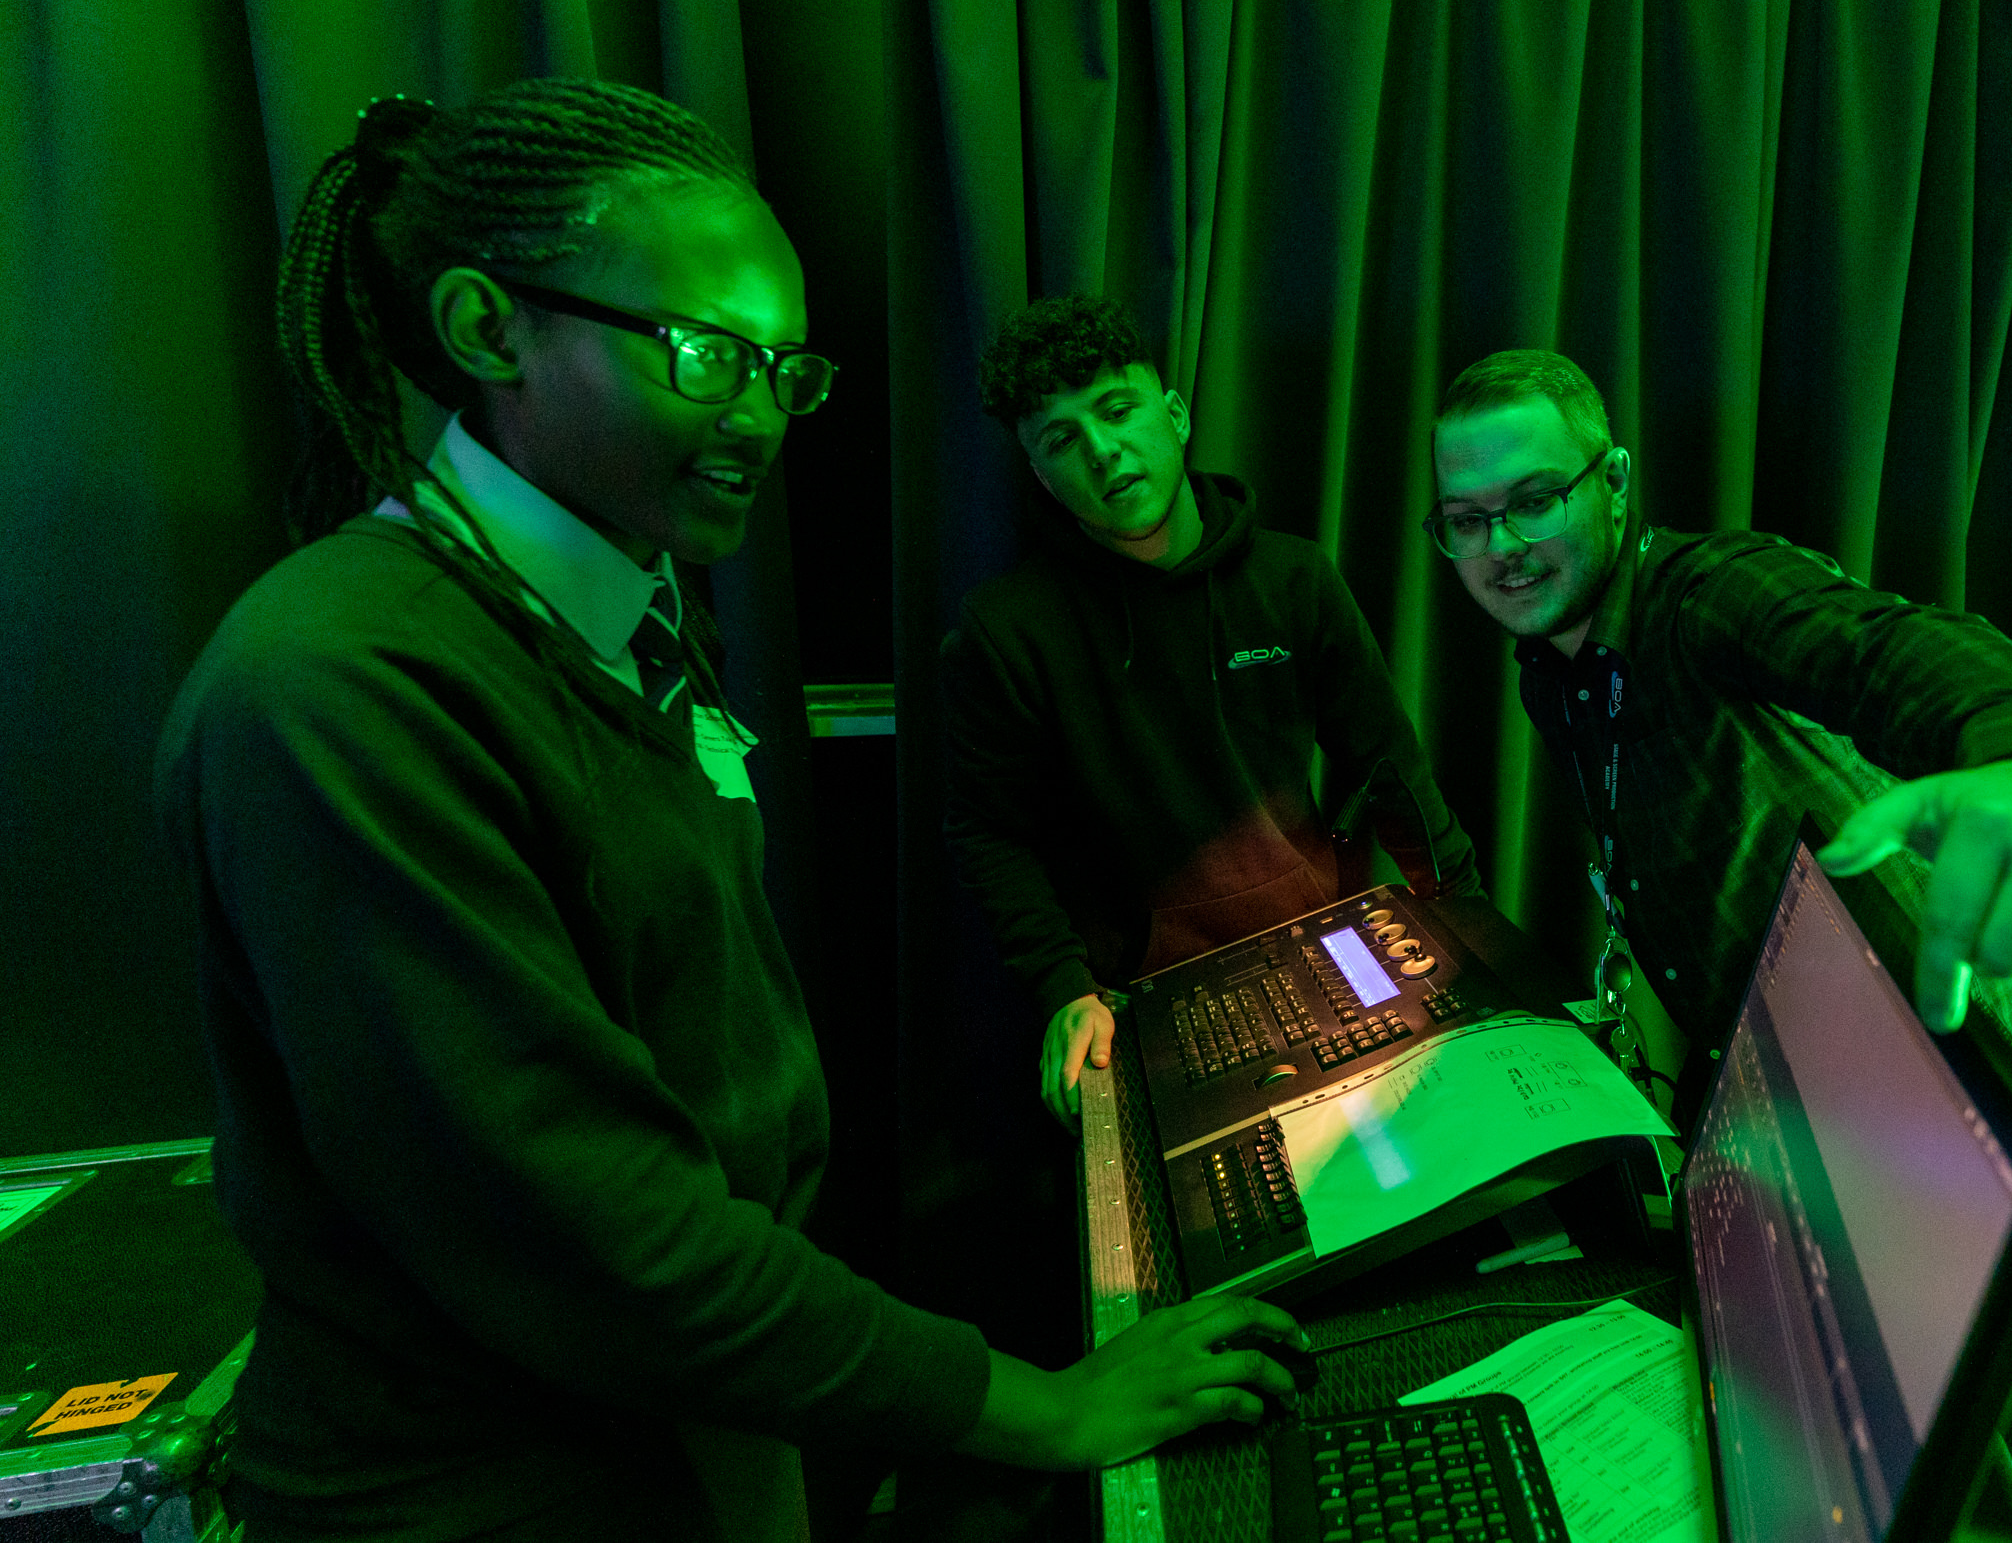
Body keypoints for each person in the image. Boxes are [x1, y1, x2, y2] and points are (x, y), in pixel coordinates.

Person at [155, 80, 1301, 1543]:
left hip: (700, 1438)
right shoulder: (337, 688)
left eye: (782, 369)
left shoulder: (628, 612)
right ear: (488, 327)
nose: (758, 417)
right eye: (707, 355)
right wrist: (1045, 1405)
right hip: (495, 1494)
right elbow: (594, 1232)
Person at [1426, 350, 2012, 1123]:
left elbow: (1881, 649)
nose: (1502, 545)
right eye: (1467, 520)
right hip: (1778, 1069)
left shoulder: (1707, 593)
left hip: (1919, 1056)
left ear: (1614, 482)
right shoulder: (1549, 676)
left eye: (1536, 500)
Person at [946, 294, 1482, 1128]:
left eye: (1116, 410)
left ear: (1174, 413)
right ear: (1041, 475)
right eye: (1061, 440)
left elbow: (1391, 768)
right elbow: (989, 832)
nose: (1102, 451)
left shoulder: (1296, 579)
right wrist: (1063, 988)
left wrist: (1470, 927)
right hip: (1138, 1000)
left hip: (1321, 954)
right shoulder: (1006, 631)